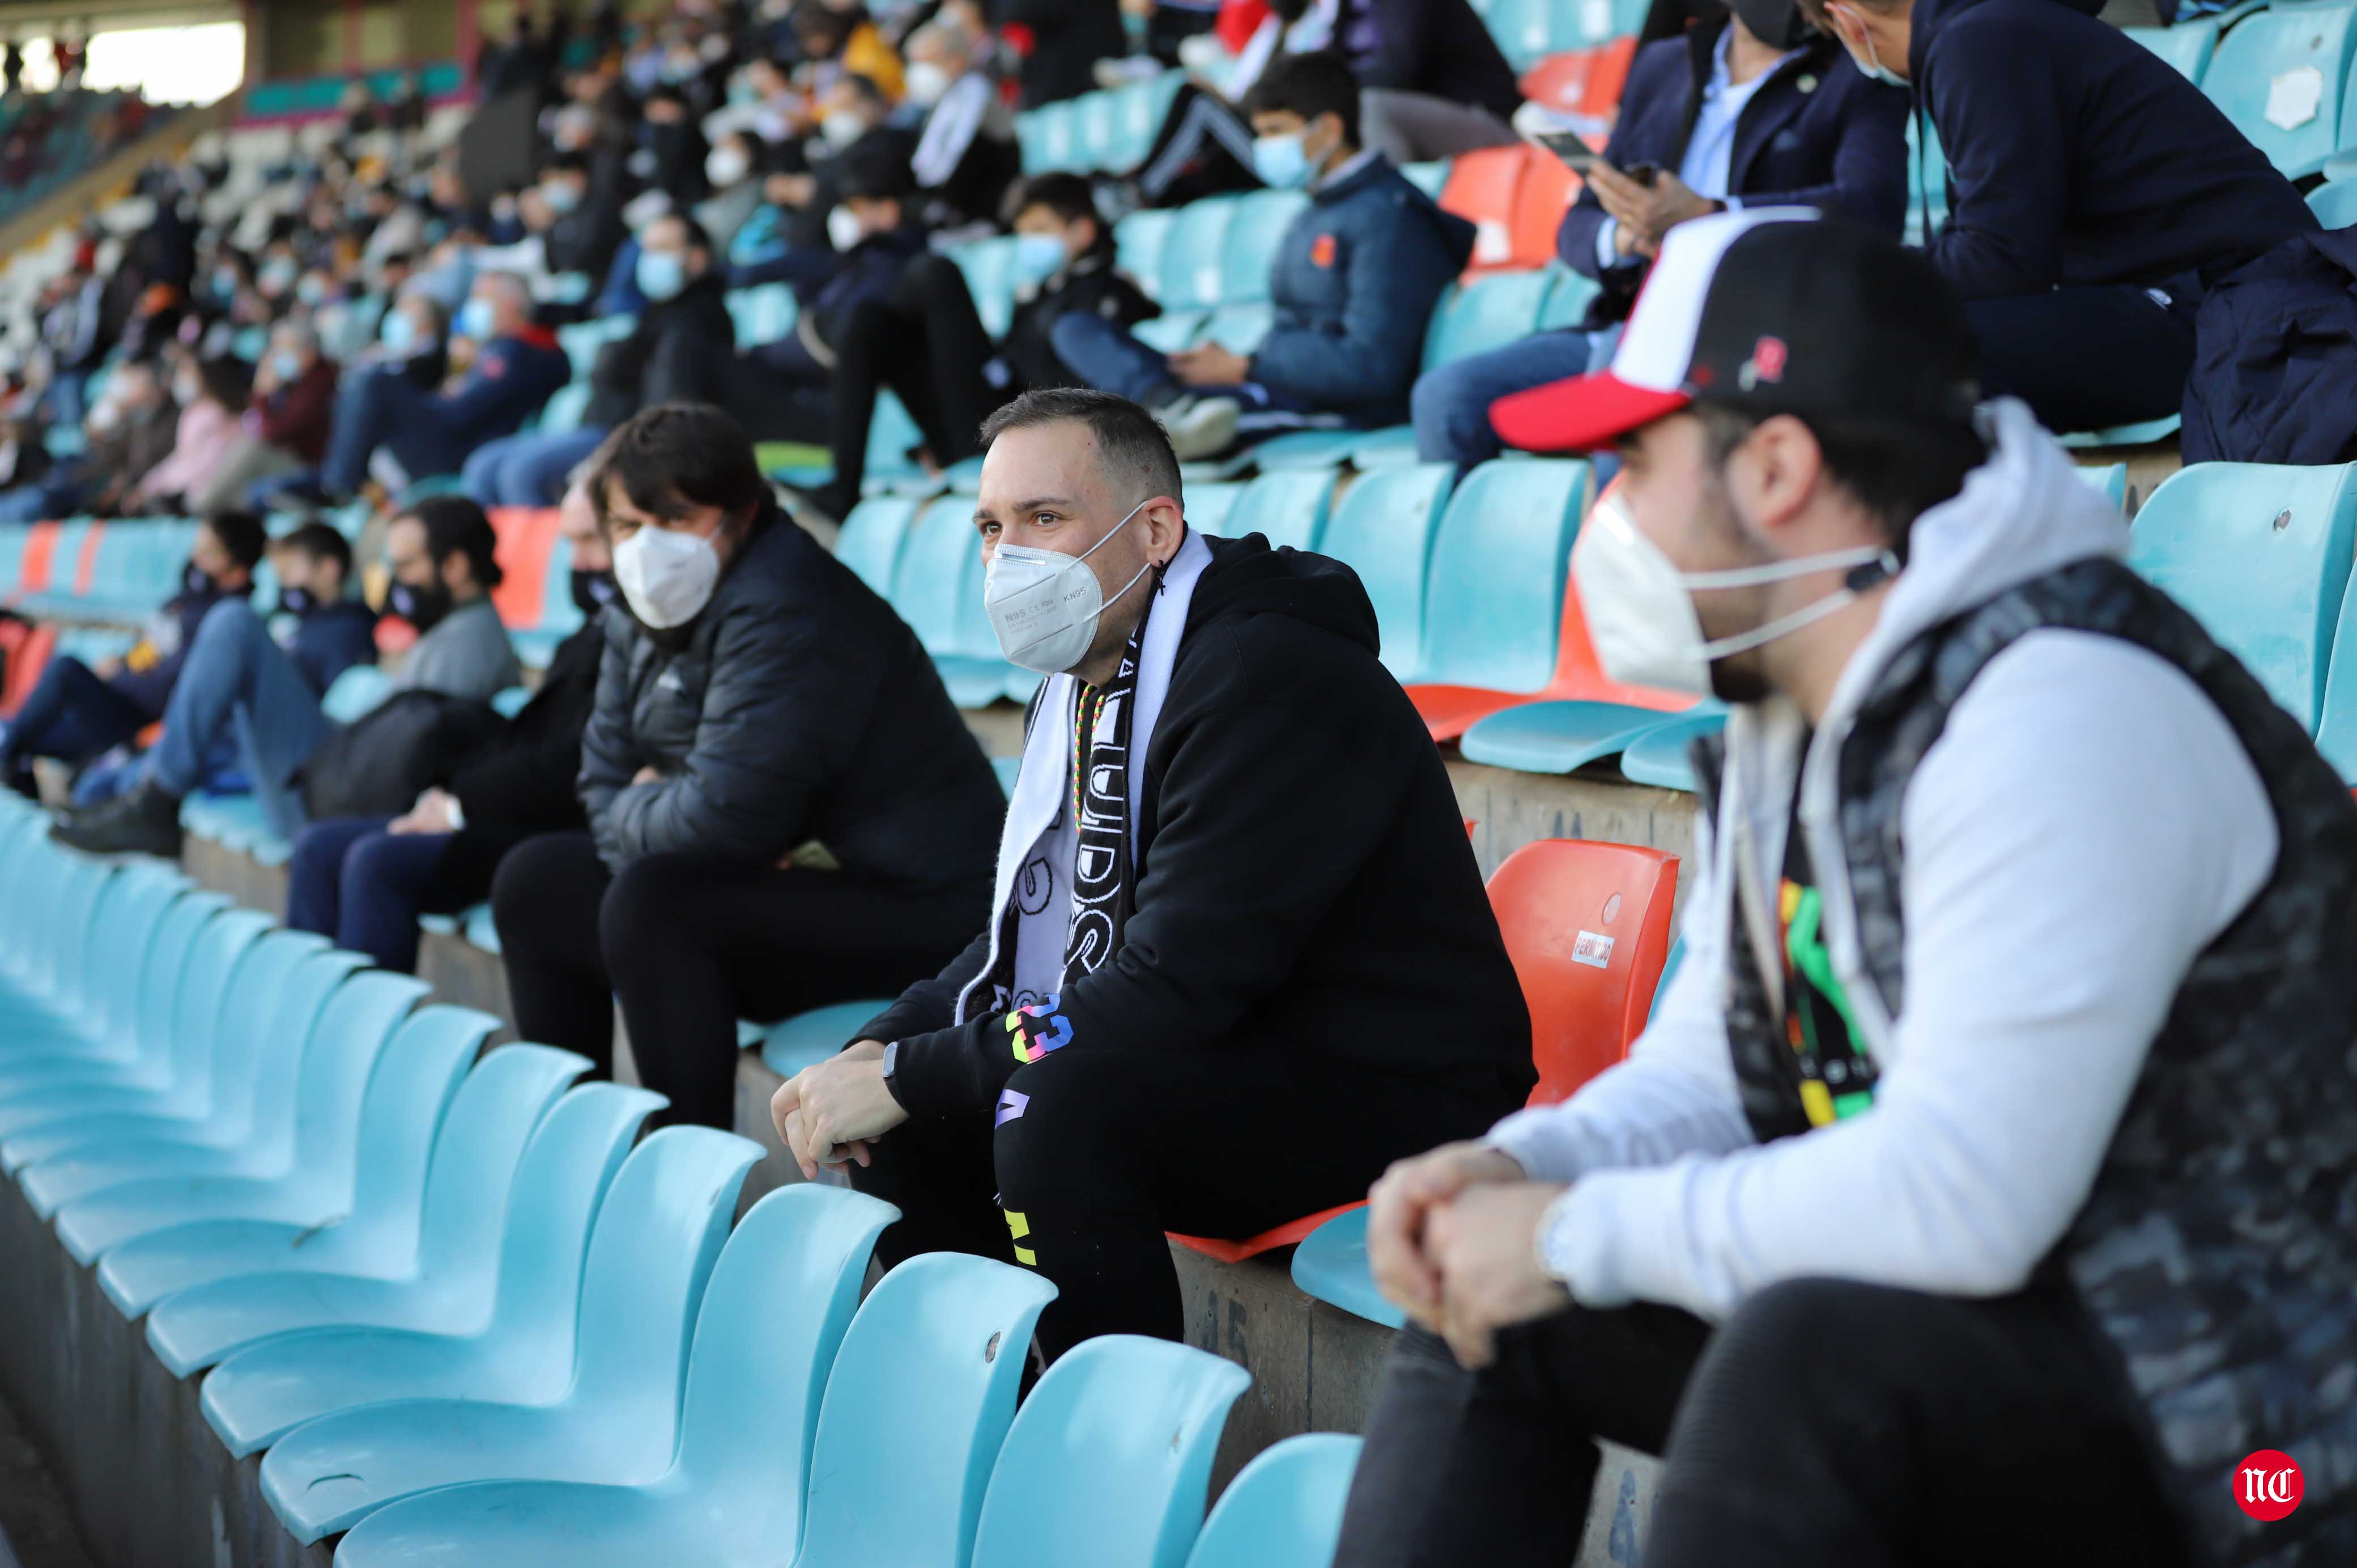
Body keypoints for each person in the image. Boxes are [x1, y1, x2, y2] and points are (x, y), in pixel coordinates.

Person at [1332, 210, 2357, 1568]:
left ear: (1776, 467)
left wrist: (1575, 1231)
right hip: (2033, 1351)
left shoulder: (2060, 703)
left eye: (1633, 462)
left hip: (2266, 1445)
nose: (1607, 514)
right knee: (1487, 1287)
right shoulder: (1791, 703)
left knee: (1803, 1356)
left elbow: (1961, 1197)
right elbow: (1720, 1066)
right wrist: (1526, 1167)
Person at [773, 387, 1534, 1360]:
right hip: (1237, 1045)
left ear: (1157, 530)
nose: (1012, 555)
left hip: (1392, 1081)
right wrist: (882, 1047)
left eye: (1047, 518)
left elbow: (1176, 980)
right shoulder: (1094, 680)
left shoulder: (1264, 673)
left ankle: (1104, 1460)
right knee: (917, 1113)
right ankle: (996, 1416)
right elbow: (1024, 931)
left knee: (1048, 1105)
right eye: (992, 526)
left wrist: (915, 1072)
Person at [490, 404, 1005, 1131]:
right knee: (536, 880)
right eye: (627, 526)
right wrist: (662, 807)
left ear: (742, 512)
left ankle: (681, 1184)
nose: (645, 548)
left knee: (656, 902)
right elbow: (600, 777)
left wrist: (655, 802)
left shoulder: (794, 606)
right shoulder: (640, 607)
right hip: (795, 878)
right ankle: (575, 1149)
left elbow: (716, 824)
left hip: (924, 910)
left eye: (674, 520)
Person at [1412, 0, 1906, 468]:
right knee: (1447, 398)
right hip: (1635, 320)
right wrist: (1626, 236)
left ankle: (1621, 551)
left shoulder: (1859, 67)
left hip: (1758, 331)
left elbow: (1869, 207)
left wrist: (1711, 214)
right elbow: (1579, 226)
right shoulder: (1664, 66)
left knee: (1629, 383)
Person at [1800, 0, 2318, 433]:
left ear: (1846, 20)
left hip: (2235, 310)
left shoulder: (1977, 43)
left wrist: (1859, 281)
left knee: (1910, 349)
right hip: (2208, 297)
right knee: (1900, 335)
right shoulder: (1987, 29)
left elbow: (2001, 261)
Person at [1050, 51, 1474, 459]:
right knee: (1076, 329)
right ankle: (1168, 403)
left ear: (1328, 130)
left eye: (1275, 131)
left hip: (1327, 407)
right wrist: (1239, 366)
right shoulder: (1319, 207)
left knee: (1119, 440)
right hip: (1271, 382)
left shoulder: (1389, 217)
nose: (1263, 148)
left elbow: (1371, 366)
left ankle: (1168, 415)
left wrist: (1246, 366)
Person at [53, 497, 522, 858]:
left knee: (235, 624)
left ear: (456, 567)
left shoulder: (471, 643)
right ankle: (146, 792)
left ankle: (156, 801)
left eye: (405, 567)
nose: (394, 583)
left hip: (332, 802)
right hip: (337, 778)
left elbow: (405, 767)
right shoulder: (456, 628)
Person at [287, 484, 612, 973]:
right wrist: (448, 796)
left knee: (376, 860)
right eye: (571, 545)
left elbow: (569, 760)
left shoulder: (475, 645)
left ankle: (358, 1038)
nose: (579, 563)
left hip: (539, 825)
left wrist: (457, 803)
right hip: (491, 804)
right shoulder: (582, 636)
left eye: (594, 541)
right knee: (318, 845)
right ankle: (309, 1011)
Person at [789, 171, 1160, 525]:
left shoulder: (1111, 292)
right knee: (868, 322)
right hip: (992, 414)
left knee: (935, 273)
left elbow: (1107, 377)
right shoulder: (1040, 289)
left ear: (1082, 231)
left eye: (1040, 231)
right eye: (1023, 234)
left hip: (1026, 430)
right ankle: (843, 490)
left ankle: (968, 453)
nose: (1028, 244)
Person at [465, 215, 737, 509]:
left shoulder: (697, 321)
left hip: (627, 437)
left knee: (522, 473)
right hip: (599, 426)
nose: (649, 261)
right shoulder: (655, 313)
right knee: (483, 465)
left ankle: (568, 551)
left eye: (663, 249)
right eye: (647, 251)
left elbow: (672, 401)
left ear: (697, 259)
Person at [0, 510, 263, 792]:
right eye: (198, 548)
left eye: (209, 553)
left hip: (131, 719)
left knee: (65, 670)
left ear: (237, 573)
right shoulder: (189, 598)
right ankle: (15, 769)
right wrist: (123, 662)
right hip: (114, 700)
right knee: (28, 743)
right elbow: (153, 648)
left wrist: (121, 672)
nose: (196, 558)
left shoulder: (225, 620)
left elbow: (170, 686)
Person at [314, 271, 568, 503]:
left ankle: (339, 484)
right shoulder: (499, 349)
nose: (474, 306)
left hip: (461, 451)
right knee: (367, 386)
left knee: (376, 382)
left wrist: (454, 387)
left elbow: (463, 411)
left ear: (511, 305)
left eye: (482, 298)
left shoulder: (517, 350)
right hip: (454, 440)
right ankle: (335, 478)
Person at [733, 155, 930, 445]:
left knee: (741, 369)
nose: (849, 217)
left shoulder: (897, 262)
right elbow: (802, 265)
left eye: (856, 209)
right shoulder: (867, 254)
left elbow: (858, 325)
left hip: (827, 354)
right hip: (812, 344)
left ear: (888, 210)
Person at [904, 18, 1022, 229]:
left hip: (990, 213)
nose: (919, 73)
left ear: (956, 60)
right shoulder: (942, 103)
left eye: (927, 63)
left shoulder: (977, 93)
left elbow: (963, 160)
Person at [132, 353, 252, 513]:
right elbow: (182, 456)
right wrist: (150, 485)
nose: (182, 378)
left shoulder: (219, 413)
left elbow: (211, 462)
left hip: (202, 490)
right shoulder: (191, 413)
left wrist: (171, 486)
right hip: (181, 486)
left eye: (188, 372)